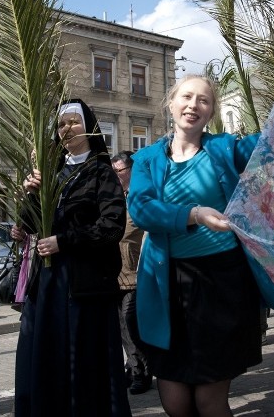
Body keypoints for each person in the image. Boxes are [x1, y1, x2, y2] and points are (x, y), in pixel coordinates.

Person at [128, 74, 265, 417]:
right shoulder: (147, 159)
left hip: (221, 284)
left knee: (209, 402)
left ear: (212, 111)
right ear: (171, 103)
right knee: (175, 404)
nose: (193, 105)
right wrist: (195, 214)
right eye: (186, 97)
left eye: (203, 100)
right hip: (168, 285)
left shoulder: (224, 148)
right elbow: (142, 210)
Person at [13, 99, 131, 416]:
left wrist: (63, 242)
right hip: (49, 284)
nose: (66, 129)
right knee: (48, 362)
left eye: (73, 122)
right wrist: (31, 192)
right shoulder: (53, 173)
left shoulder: (101, 173)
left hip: (85, 287)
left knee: (84, 367)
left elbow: (111, 227)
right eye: (61, 124)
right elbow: (28, 224)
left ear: (89, 127)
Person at [111, 150, 152, 395]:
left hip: (136, 274)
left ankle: (142, 372)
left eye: (120, 171)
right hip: (115, 273)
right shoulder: (114, 197)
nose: (116, 176)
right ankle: (132, 367)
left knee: (130, 321)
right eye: (113, 171)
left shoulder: (141, 196)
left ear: (132, 171)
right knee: (121, 326)